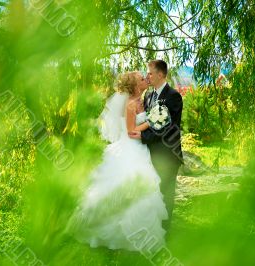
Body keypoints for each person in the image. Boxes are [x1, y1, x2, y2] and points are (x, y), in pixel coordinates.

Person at [66, 71, 167, 252]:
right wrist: (152, 120)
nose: (145, 79)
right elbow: (131, 131)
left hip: (139, 150)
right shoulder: (130, 105)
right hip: (130, 149)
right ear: (136, 86)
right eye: (141, 78)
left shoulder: (141, 101)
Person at [129, 60, 184, 231]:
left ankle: (165, 230)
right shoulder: (149, 96)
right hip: (151, 154)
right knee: (153, 192)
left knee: (166, 193)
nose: (148, 76)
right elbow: (149, 122)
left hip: (167, 155)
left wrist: (143, 136)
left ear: (161, 74)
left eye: (150, 73)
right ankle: (153, 227)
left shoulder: (173, 96)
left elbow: (166, 128)